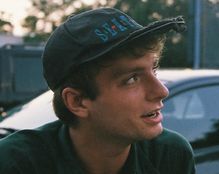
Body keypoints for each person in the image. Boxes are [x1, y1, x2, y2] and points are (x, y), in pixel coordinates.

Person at [0, 8, 195, 174]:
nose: (161, 91)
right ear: (77, 101)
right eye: (132, 79)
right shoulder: (17, 164)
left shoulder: (170, 156)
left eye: (154, 70)